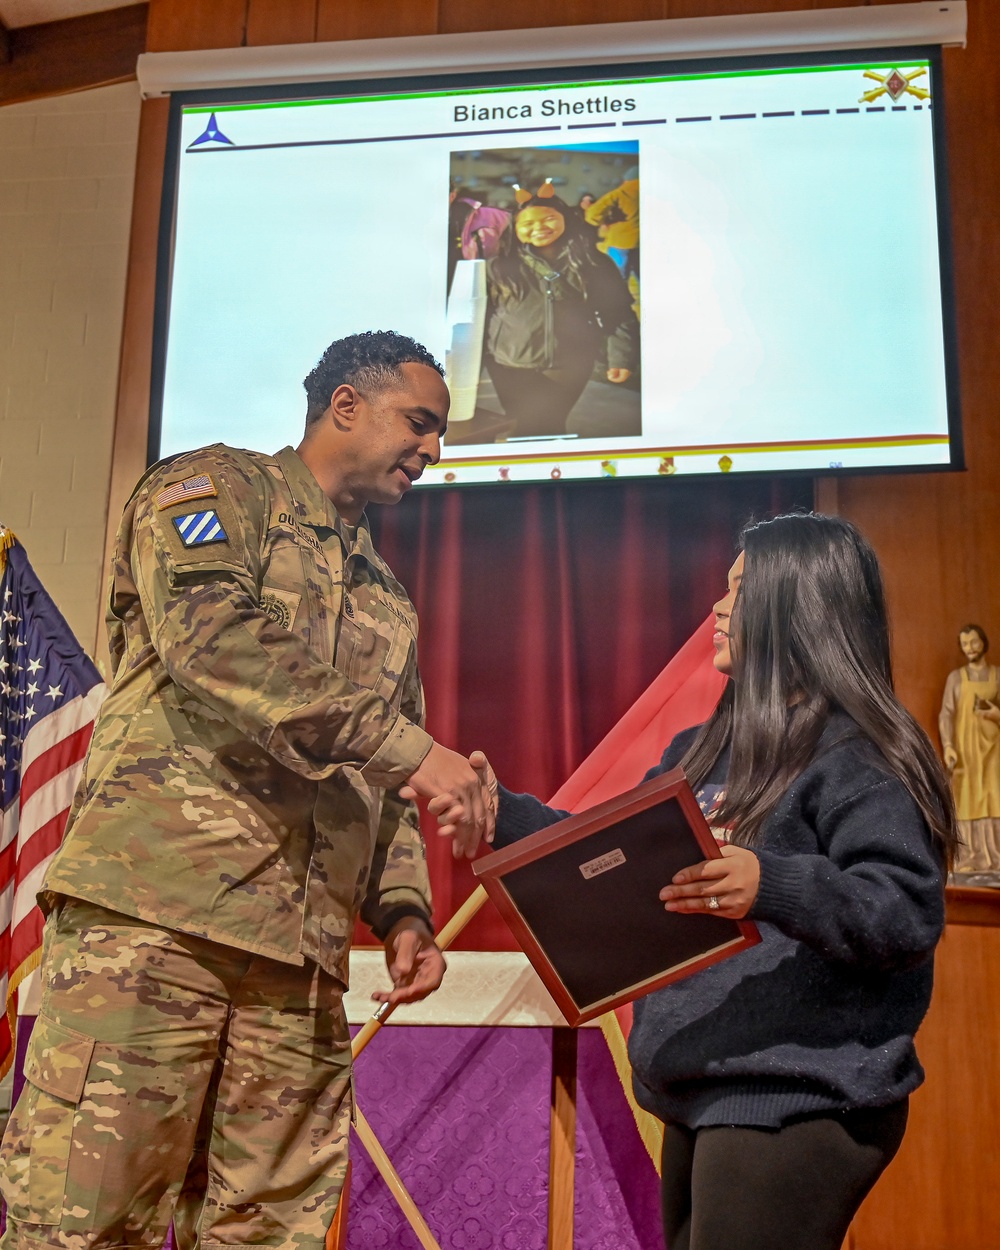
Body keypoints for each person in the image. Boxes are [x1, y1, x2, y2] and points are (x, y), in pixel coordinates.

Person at [0, 331, 493, 1249]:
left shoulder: (385, 598)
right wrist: (407, 747)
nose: (433, 450)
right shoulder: (216, 490)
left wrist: (402, 914)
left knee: (270, 1234)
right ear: (346, 405)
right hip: (156, 927)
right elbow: (213, 637)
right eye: (419, 423)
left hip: (296, 967)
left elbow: (383, 786)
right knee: (89, 1221)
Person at [422, 513, 956, 1250]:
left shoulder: (860, 755)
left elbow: (904, 911)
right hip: (700, 1090)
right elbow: (612, 863)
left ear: (795, 606)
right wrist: (501, 817)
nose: (717, 607)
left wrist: (771, 885)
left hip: (796, 1097)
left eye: (740, 589)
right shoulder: (702, 751)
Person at [482, 181, 639, 438]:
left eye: (548, 219)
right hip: (509, 364)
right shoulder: (498, 266)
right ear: (515, 229)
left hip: (570, 364)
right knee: (521, 425)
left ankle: (547, 473)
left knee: (550, 425)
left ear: (566, 219)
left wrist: (621, 356)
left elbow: (618, 312)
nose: (539, 228)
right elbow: (483, 317)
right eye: (528, 224)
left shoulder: (593, 262)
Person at [938, 623, 1000, 873]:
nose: (970, 648)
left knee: (994, 797)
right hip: (966, 753)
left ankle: (995, 857)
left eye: (973, 642)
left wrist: (996, 713)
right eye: (965, 644)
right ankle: (971, 859)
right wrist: (949, 746)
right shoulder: (956, 678)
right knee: (967, 797)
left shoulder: (997, 675)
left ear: (983, 642)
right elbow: (946, 715)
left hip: (994, 750)